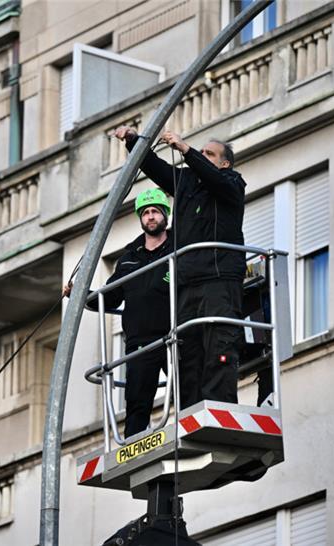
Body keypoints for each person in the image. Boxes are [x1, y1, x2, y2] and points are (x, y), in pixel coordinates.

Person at [113, 126, 246, 410]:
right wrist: (133, 140)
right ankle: (191, 413)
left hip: (219, 280)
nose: (201, 156)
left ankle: (219, 410)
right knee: (189, 354)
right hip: (187, 284)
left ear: (224, 163)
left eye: (209, 154)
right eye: (201, 152)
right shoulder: (186, 182)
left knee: (218, 348)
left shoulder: (232, 182)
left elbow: (217, 182)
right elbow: (154, 166)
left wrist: (186, 150)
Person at [64, 189, 173, 437]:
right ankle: (134, 445)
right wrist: (78, 294)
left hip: (174, 333)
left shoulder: (178, 247)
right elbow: (109, 296)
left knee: (188, 385)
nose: (151, 216)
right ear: (141, 219)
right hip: (140, 340)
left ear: (165, 214)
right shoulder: (128, 259)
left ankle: (192, 428)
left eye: (155, 211)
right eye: (146, 213)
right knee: (136, 399)